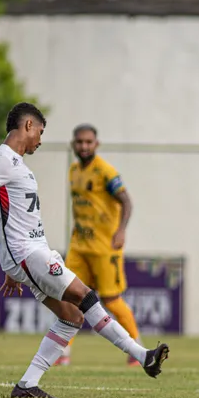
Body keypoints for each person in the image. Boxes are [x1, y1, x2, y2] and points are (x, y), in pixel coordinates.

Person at [0, 103, 169, 398]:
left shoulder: (16, 165)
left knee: (73, 317)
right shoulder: (3, 159)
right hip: (30, 255)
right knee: (87, 297)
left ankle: (26, 385)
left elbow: (8, 216)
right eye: (41, 132)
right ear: (29, 126)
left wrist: (12, 267)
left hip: (28, 257)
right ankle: (142, 355)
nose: (41, 141)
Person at [56, 124, 141, 367]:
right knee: (68, 298)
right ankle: (62, 354)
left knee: (111, 299)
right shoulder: (73, 170)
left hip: (104, 247)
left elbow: (127, 202)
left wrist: (121, 230)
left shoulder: (105, 172)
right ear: (74, 144)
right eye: (80, 142)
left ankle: (136, 348)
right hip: (79, 247)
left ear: (96, 144)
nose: (84, 146)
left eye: (88, 142)